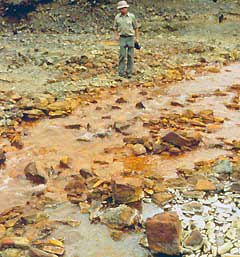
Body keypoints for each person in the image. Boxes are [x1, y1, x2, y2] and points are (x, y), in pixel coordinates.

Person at [114, 1, 139, 78]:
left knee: (130, 55)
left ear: (127, 8)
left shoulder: (132, 16)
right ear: (119, 9)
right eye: (121, 8)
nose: (123, 10)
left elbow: (136, 27)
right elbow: (115, 28)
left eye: (124, 8)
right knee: (122, 55)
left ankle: (129, 72)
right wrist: (116, 36)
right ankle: (121, 72)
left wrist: (137, 38)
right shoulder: (117, 17)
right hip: (122, 38)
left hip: (130, 37)